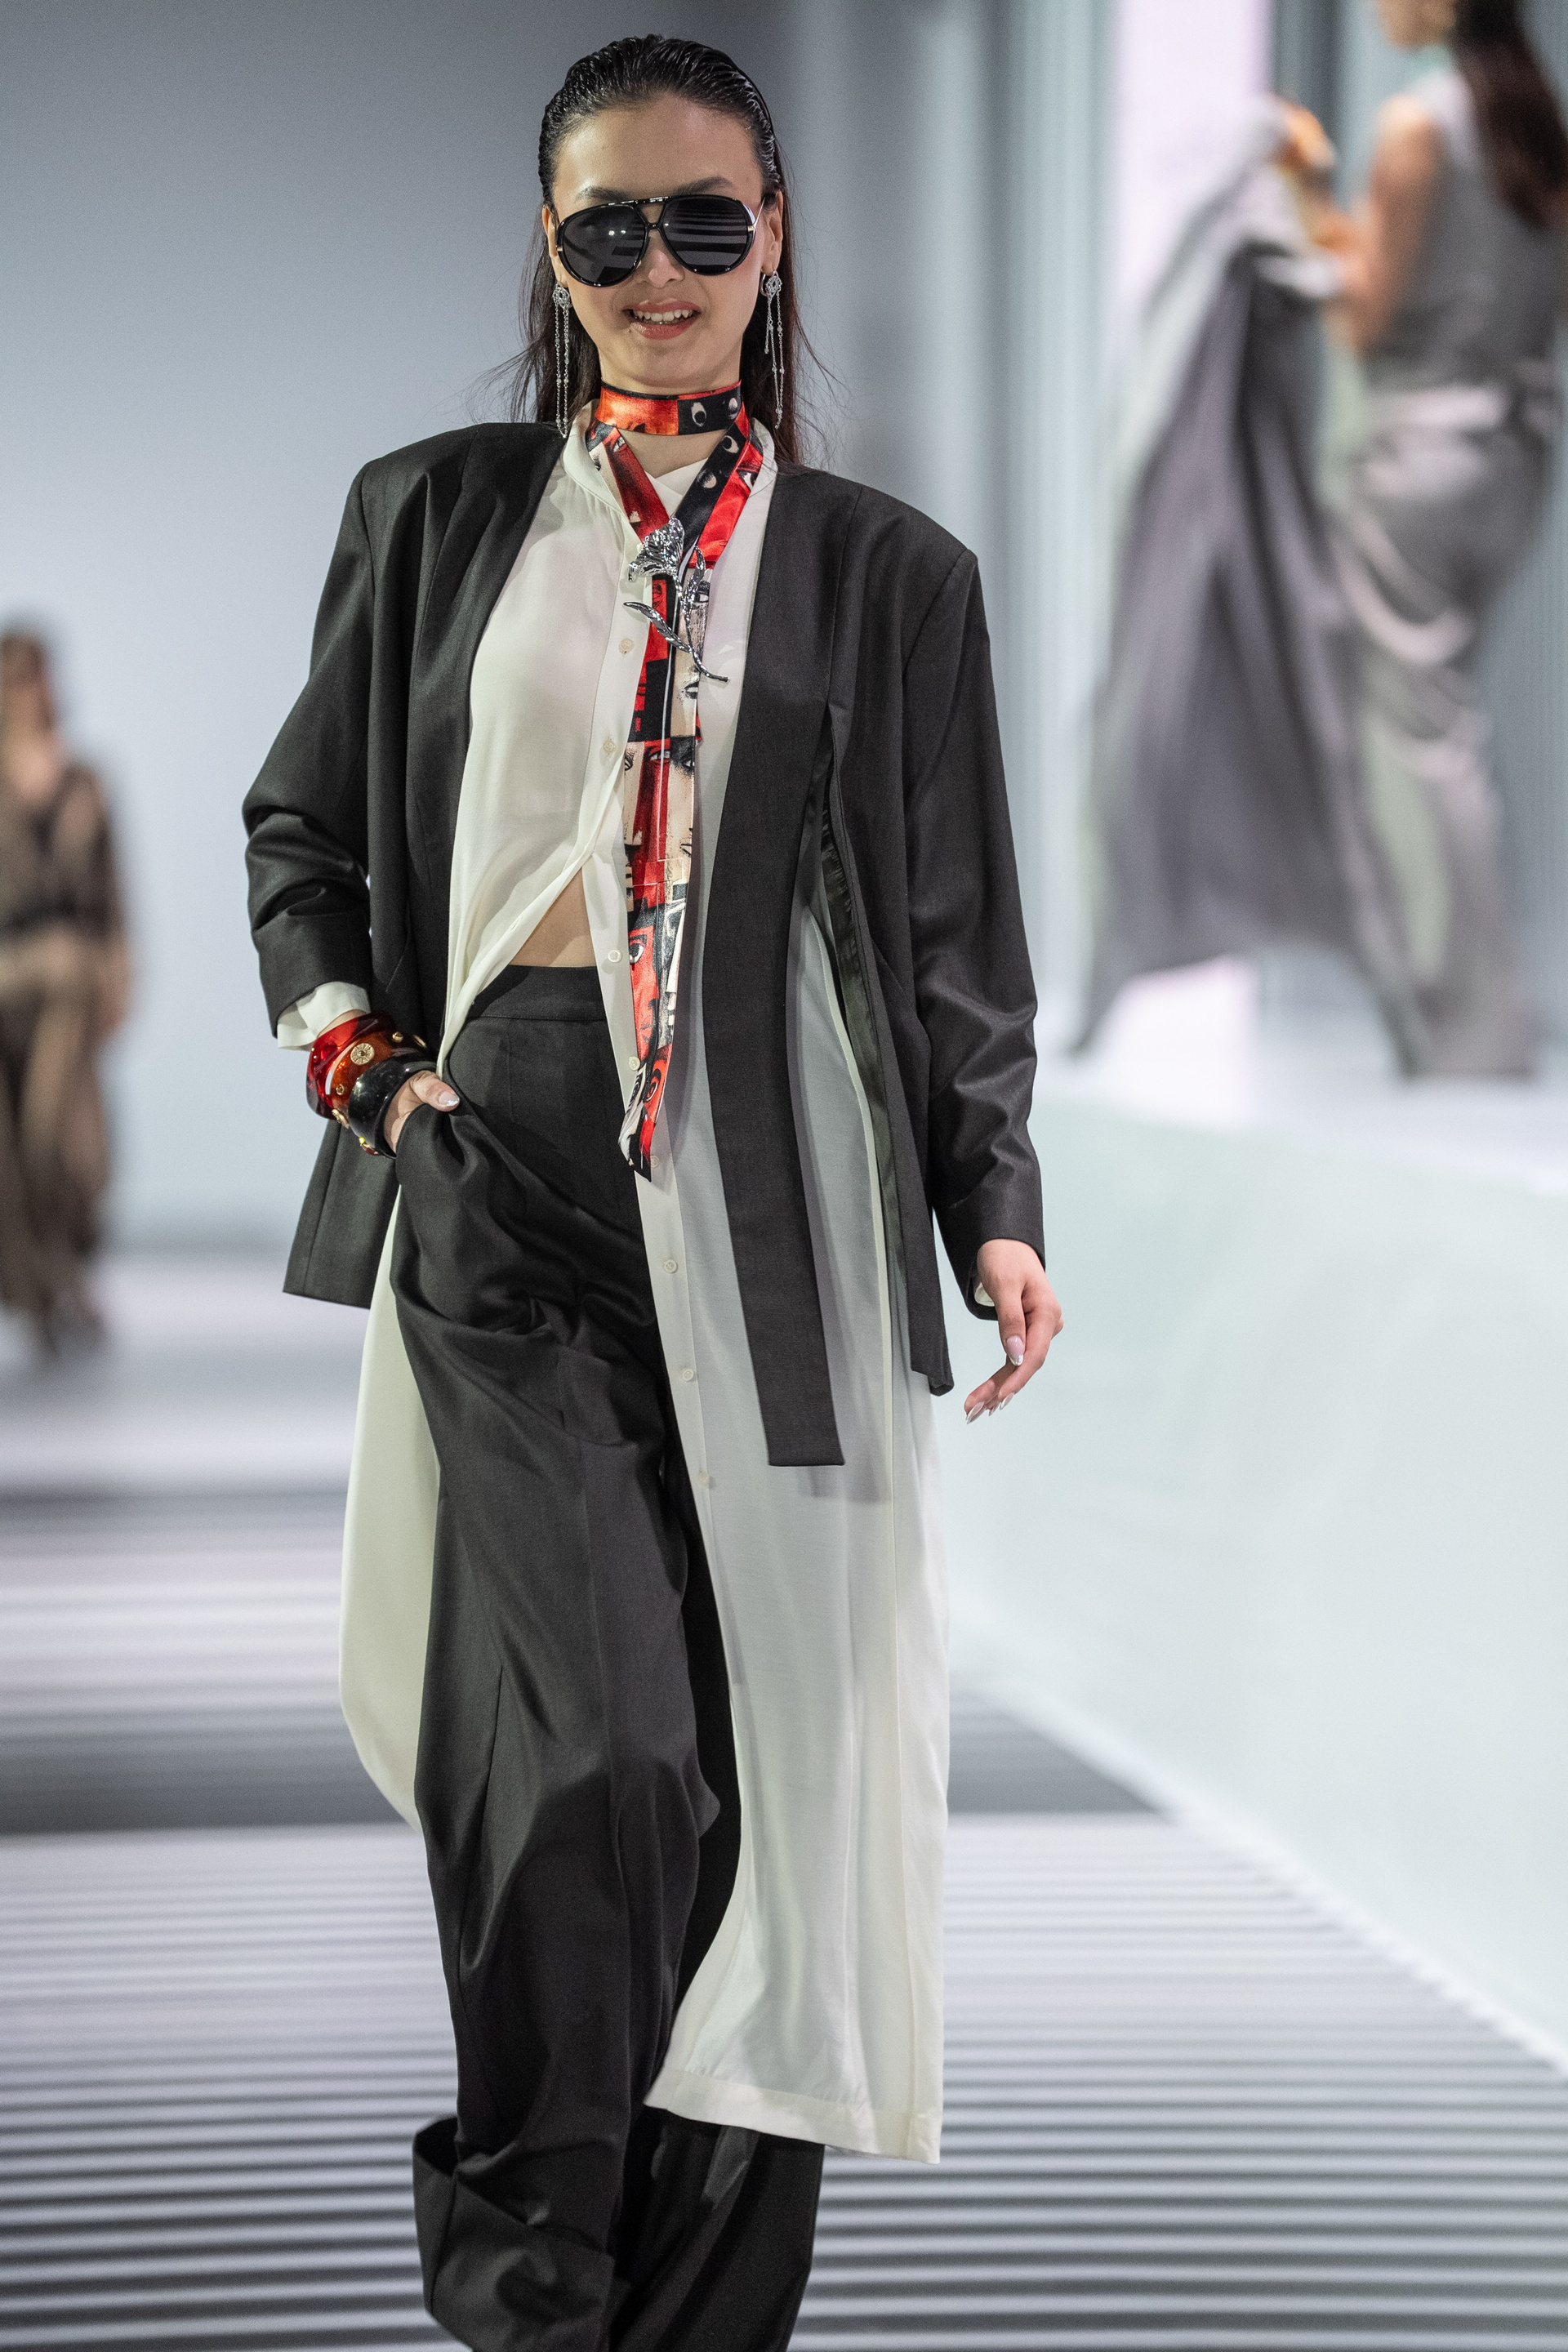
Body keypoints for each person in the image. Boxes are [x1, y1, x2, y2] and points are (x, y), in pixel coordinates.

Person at [244, 36, 1060, 2352]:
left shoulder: (889, 576)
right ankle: (535, 2258)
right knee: (585, 1758)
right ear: (554, 245)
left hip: (780, 1212)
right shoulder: (433, 516)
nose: (661, 268)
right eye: (610, 227)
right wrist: (366, 1068)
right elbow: (304, 832)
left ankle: (697, 2312)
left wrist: (995, 1203)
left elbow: (953, 939)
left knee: (755, 1785)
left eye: (706, 219)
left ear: (773, 235)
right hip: (500, 1175)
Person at [1287, 0, 1568, 1075]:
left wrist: (1309, 197)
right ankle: (1481, 1005)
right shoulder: (1530, 123)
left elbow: (1364, 318)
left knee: (1422, 740)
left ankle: (1475, 1023)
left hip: (1418, 458)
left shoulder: (1420, 127)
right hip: (1514, 456)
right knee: (1448, 727)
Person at [0, 630, 128, 1351]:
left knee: (63, 1143)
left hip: (69, 985)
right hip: (4, 981)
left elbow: (114, 895)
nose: (34, 691)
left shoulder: (85, 781)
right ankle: (39, 1293)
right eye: (20, 678)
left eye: (39, 675)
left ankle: (65, 1281)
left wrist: (121, 977)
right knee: (10, 1151)